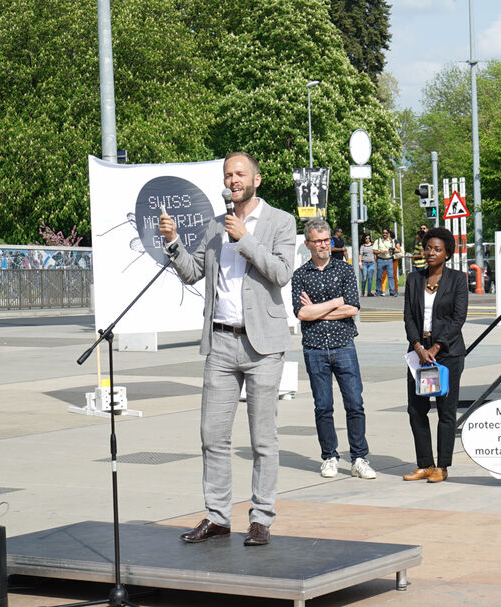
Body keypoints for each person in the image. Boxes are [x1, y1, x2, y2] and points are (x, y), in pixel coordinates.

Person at [158, 152, 295, 547]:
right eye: (227, 174)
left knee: (262, 439)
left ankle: (261, 518)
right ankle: (217, 517)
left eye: (240, 174)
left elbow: (282, 273)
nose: (233, 180)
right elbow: (191, 272)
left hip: (263, 346)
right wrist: (172, 242)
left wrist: (246, 239)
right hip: (220, 341)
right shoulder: (214, 226)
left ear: (257, 178)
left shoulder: (279, 222)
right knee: (212, 435)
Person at [292, 218, 376, 480]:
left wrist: (319, 309)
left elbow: (352, 307)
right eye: (317, 241)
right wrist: (335, 302)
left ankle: (359, 457)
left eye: (326, 239)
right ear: (308, 244)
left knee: (354, 403)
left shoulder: (344, 270)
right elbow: (302, 313)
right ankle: (329, 456)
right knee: (323, 406)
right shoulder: (300, 275)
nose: (323, 245)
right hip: (314, 347)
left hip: (343, 345)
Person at [402, 227, 467, 483]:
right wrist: (418, 347)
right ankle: (425, 464)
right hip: (418, 353)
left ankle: (442, 465)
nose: (430, 252)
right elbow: (408, 317)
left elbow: (457, 318)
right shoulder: (414, 279)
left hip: (447, 353)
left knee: (445, 410)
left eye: (437, 249)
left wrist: (436, 348)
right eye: (428, 247)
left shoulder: (457, 280)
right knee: (416, 410)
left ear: (447, 254)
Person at [373, 228, 398, 296]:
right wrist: (381, 251)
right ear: (382, 233)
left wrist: (393, 251)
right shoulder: (378, 241)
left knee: (391, 276)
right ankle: (378, 290)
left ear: (388, 234)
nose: (384, 234)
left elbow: (396, 250)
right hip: (380, 259)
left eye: (386, 233)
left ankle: (392, 291)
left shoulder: (391, 241)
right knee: (379, 276)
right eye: (383, 233)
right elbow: (374, 251)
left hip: (389, 260)